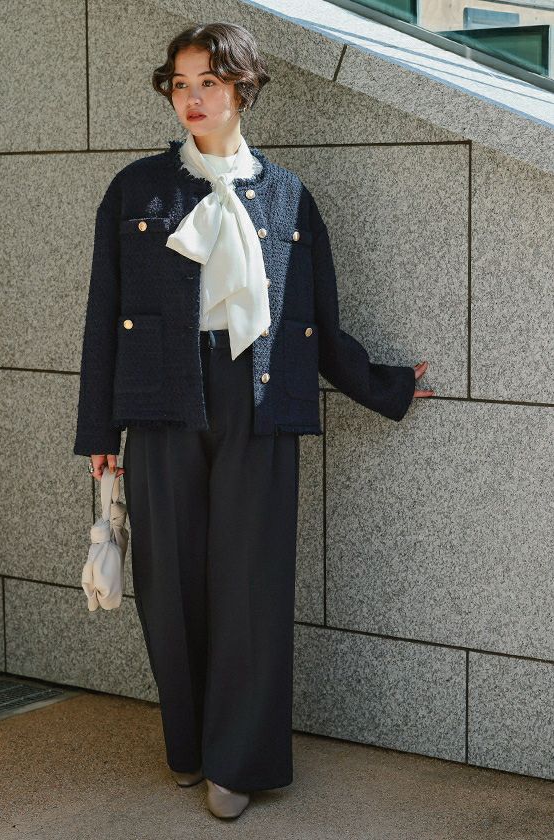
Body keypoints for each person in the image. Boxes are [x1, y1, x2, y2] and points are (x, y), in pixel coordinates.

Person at [74, 22, 435, 820]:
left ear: (242, 88)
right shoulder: (136, 191)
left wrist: (385, 386)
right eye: (180, 83)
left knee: (251, 583)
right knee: (168, 583)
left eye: (208, 82)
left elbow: (318, 322)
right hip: (161, 399)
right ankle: (189, 743)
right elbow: (104, 316)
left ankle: (237, 763)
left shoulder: (288, 196)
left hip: (262, 397)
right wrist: (99, 433)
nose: (192, 98)